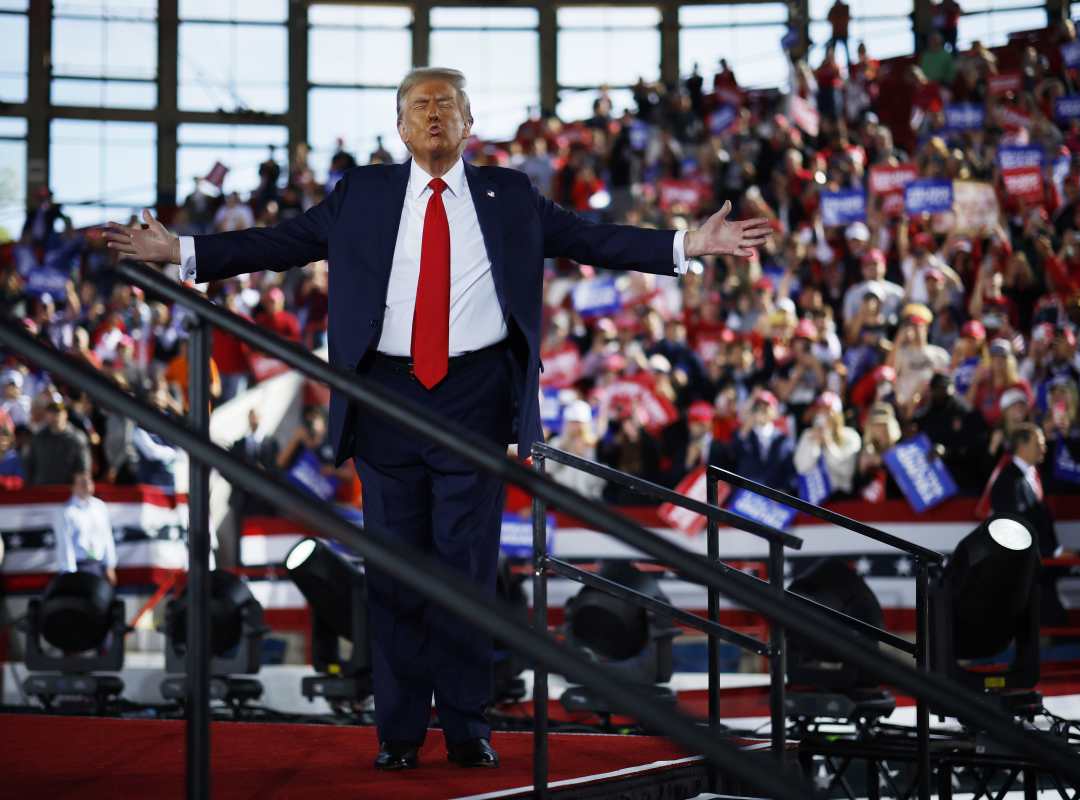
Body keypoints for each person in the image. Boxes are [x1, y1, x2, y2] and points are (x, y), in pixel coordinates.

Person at [104, 66, 768, 772]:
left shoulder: (508, 194)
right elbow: (280, 243)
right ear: (398, 125)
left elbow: (590, 238)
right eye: (418, 105)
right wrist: (181, 251)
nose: (431, 116)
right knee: (394, 573)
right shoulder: (362, 193)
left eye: (444, 105)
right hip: (384, 398)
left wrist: (684, 246)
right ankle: (396, 733)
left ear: (467, 121)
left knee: (465, 571)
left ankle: (465, 725)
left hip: (475, 399)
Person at [988, 423, 1068, 625]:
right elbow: (1017, 529)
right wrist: (1053, 554)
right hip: (1026, 571)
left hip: (1038, 569)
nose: (1044, 448)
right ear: (1022, 446)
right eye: (1039, 443)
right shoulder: (1008, 481)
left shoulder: (1031, 475)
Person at [52, 471, 117, 585]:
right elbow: (65, 544)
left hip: (98, 566)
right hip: (79, 567)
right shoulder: (66, 511)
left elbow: (107, 537)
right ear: (72, 487)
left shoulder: (100, 507)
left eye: (89, 481)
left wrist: (109, 566)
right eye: (82, 482)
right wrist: (69, 573)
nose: (87, 485)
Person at [25, 393, 90, 486]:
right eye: (51, 412)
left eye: (58, 411)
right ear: (46, 414)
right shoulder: (38, 438)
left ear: (65, 414)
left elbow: (83, 470)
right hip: (42, 491)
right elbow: (30, 466)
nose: (54, 416)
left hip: (67, 492)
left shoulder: (77, 438)